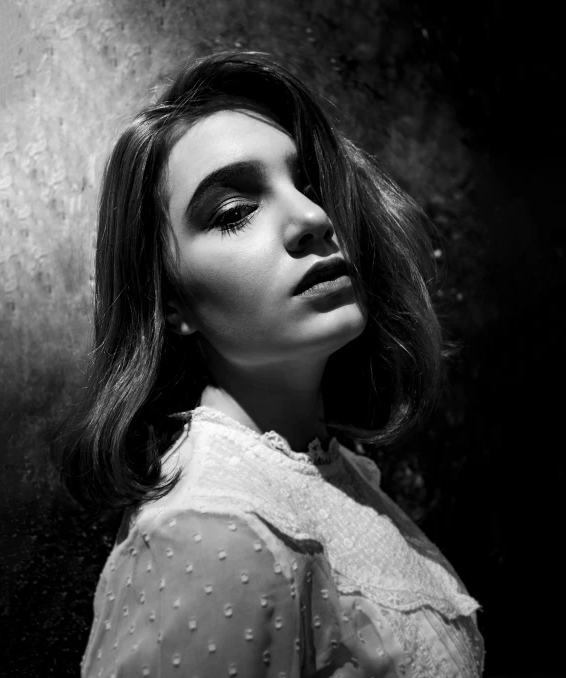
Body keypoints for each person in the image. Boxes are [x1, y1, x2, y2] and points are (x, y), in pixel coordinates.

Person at [61, 51, 484, 677]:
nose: (314, 218)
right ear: (171, 302)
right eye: (235, 212)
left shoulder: (314, 474)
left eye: (308, 185)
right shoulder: (211, 534)